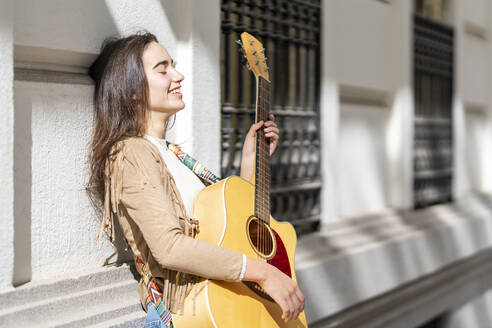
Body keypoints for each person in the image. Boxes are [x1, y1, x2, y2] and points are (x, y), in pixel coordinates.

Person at [86, 31, 304, 327]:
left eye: (173, 65)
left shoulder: (172, 153)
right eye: (162, 69)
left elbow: (228, 234)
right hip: (189, 311)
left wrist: (250, 161)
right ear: (131, 89)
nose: (178, 76)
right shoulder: (130, 152)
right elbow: (169, 247)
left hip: (222, 305)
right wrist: (265, 273)